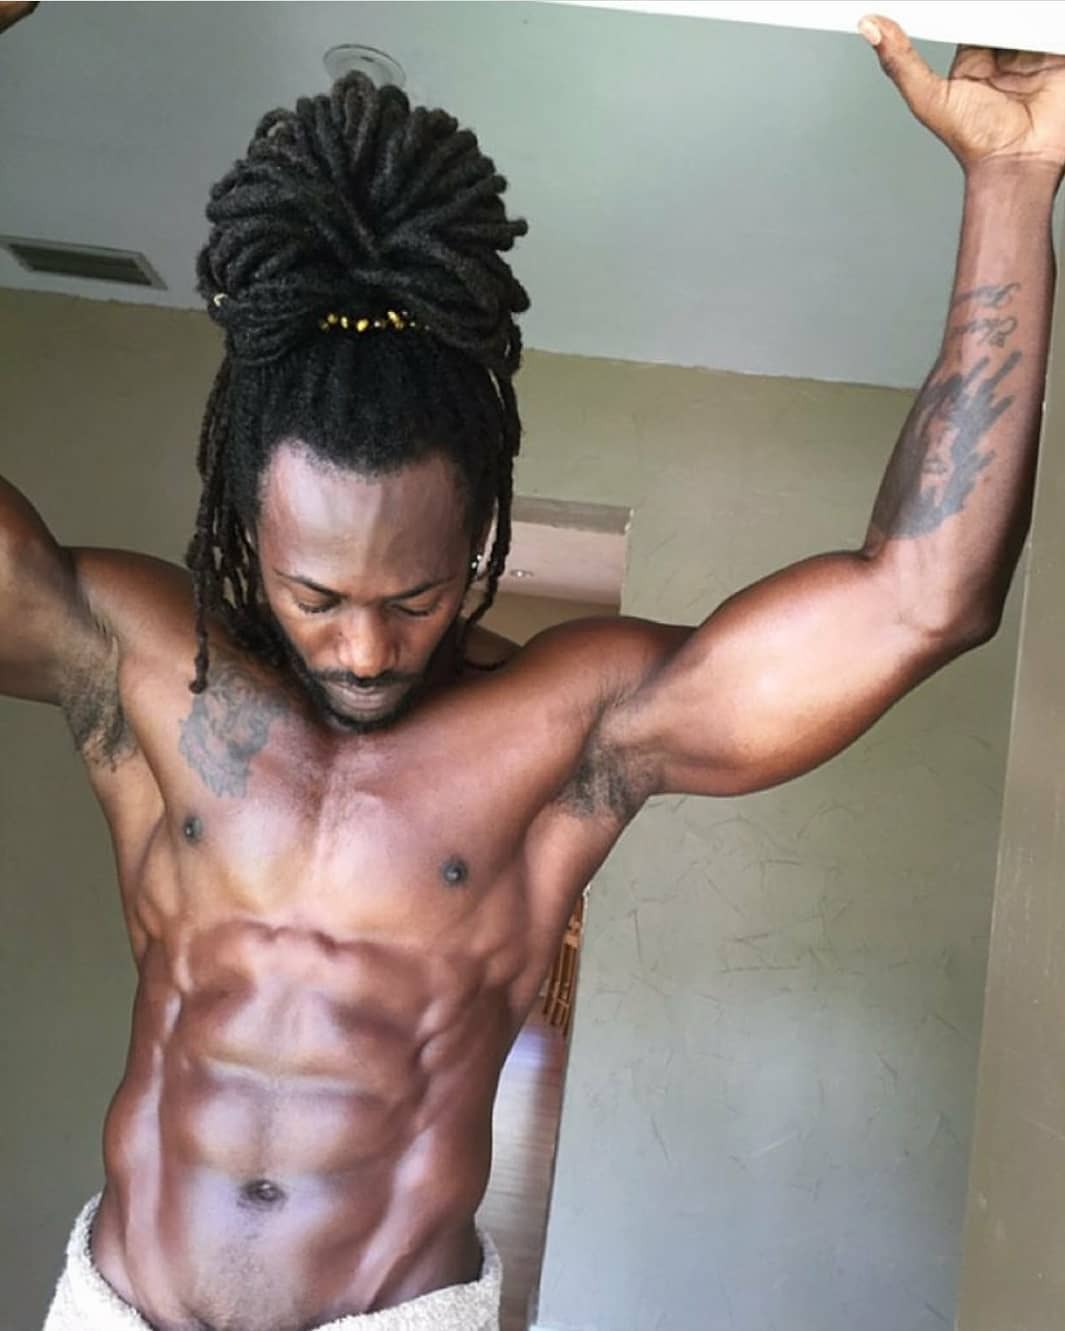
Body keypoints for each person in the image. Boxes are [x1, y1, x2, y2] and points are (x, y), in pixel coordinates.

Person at [3, 6, 1063, 1328]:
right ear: (244, 534)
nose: (366, 649)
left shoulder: (567, 728)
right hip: (117, 1307)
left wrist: (1010, 181)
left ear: (479, 544)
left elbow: (923, 598)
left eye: (417, 597)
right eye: (315, 596)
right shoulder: (136, 659)